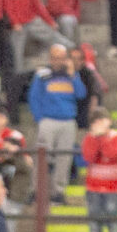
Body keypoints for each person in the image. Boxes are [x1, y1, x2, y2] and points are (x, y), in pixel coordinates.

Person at [25, 43, 86, 205]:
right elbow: (34, 98)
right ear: (50, 58)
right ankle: (36, 191)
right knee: (41, 157)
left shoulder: (72, 75)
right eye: (55, 58)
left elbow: (81, 94)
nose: (58, 61)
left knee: (64, 158)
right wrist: (40, 118)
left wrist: (73, 76)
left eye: (61, 58)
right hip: (48, 120)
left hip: (68, 121)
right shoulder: (42, 75)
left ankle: (58, 193)